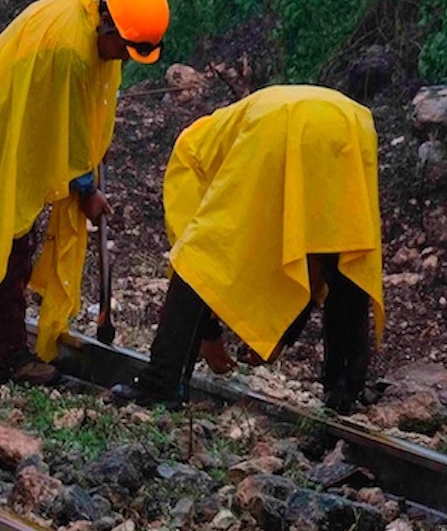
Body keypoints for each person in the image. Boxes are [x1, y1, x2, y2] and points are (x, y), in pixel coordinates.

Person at [0, 0, 168, 385]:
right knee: (7, 242)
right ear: (109, 26)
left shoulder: (87, 12)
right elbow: (69, 132)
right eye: (125, 50)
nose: (124, 60)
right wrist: (86, 189)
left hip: (17, 120)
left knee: (13, 241)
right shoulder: (71, 52)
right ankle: (7, 358)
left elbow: (82, 109)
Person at [110, 85, 384, 412]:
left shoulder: (188, 156)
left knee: (198, 254)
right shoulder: (225, 132)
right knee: (342, 251)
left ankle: (160, 383)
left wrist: (209, 337)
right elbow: (304, 255)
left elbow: (198, 265)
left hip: (279, 126)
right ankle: (344, 389)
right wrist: (280, 335)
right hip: (351, 124)